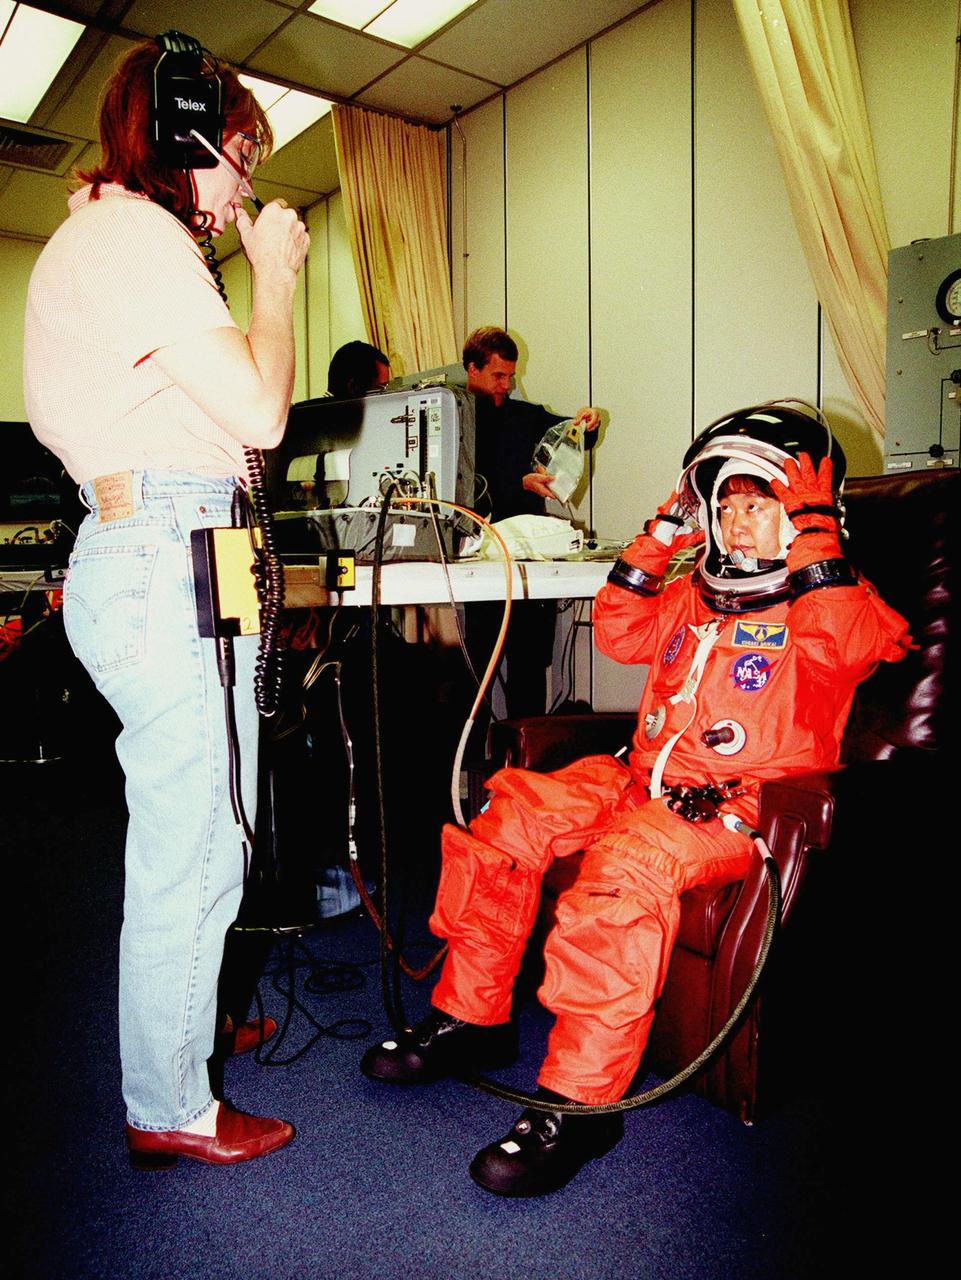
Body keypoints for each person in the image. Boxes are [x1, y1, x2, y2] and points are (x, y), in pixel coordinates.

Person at [360, 403, 910, 1197]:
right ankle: (471, 1019)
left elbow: (850, 648)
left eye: (757, 505)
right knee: (509, 812)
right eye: (726, 507)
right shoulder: (696, 593)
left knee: (622, 872)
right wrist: (663, 534)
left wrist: (815, 534)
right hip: (637, 777)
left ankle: (581, 1102)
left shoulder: (833, 601)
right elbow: (619, 633)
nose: (737, 523)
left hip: (734, 808)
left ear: (799, 512)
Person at [22, 35, 309, 1168]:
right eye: (242, 151)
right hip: (172, 544)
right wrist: (278, 275)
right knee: (195, 840)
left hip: (196, 542)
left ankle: (186, 1017)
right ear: (192, 131)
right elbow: (261, 414)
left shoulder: (122, 237)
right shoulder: (133, 236)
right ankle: (170, 1100)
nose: (246, 182)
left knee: (219, 811)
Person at [463, 326, 602, 737]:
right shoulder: (454, 419)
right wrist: (516, 485)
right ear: (471, 368)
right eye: (498, 376)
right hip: (479, 565)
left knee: (526, 667)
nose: (507, 385)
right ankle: (476, 769)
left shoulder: (523, 415)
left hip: (527, 563)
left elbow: (570, 432)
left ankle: (527, 760)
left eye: (511, 375)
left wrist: (586, 423)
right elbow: (461, 487)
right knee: (480, 674)